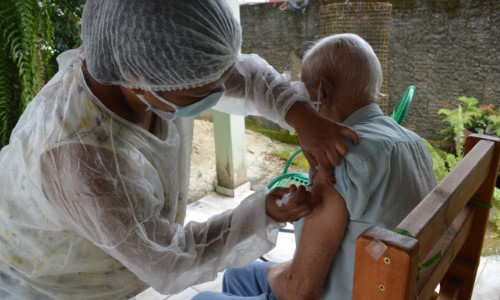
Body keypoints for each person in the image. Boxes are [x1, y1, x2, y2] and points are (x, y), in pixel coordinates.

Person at [0, 1, 362, 299]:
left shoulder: (158, 61)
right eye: (198, 94)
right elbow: (168, 260)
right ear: (138, 82)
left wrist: (302, 117)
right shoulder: (80, 160)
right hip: (52, 283)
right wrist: (261, 214)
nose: (218, 95)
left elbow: (246, 77)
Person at [194, 33, 437, 300]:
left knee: (202, 298)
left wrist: (274, 274)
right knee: (236, 275)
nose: (299, 101)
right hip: (395, 286)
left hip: (346, 292)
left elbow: (302, 291)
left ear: (323, 91)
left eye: (303, 93)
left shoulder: (337, 158)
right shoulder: (415, 142)